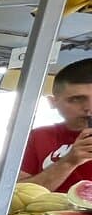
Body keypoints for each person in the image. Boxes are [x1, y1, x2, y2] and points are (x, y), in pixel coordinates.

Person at [19, 58, 92, 192]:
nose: (89, 107)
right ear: (53, 102)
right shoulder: (38, 136)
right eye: (76, 99)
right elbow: (19, 194)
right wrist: (69, 161)